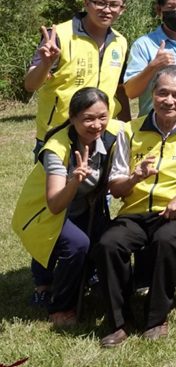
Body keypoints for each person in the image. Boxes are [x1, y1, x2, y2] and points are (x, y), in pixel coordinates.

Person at [94, 66, 176, 347]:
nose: (169, 101)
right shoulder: (130, 130)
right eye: (162, 93)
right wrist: (134, 177)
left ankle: (156, 318)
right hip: (134, 212)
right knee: (108, 244)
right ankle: (118, 321)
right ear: (153, 94)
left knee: (166, 240)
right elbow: (115, 187)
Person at [12, 87, 124, 326]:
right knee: (76, 244)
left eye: (102, 116)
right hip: (44, 212)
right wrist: (75, 180)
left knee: (110, 238)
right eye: (88, 118)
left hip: (85, 209)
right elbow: (54, 204)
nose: (97, 124)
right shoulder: (57, 148)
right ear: (72, 118)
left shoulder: (114, 132)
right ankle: (59, 306)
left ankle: (92, 283)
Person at [26, 0, 130, 143]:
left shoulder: (120, 42)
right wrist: (45, 65)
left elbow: (119, 89)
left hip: (102, 133)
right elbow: (30, 85)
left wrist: (126, 128)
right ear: (86, 3)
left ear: (122, 9)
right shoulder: (58, 36)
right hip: (57, 135)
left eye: (114, 5)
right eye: (100, 3)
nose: (107, 9)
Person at [121, 0, 176, 115]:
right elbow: (131, 92)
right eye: (170, 7)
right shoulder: (144, 45)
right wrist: (153, 66)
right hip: (152, 127)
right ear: (159, 10)